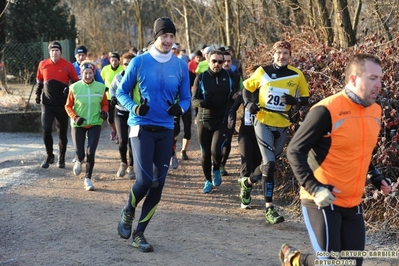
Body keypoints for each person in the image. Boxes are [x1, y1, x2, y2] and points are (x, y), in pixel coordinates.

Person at [279, 54, 392, 266]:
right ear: (353, 79)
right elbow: (294, 150)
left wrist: (375, 176)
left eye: (380, 79)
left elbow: (359, 151)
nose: (379, 85)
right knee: (332, 262)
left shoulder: (375, 111)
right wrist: (314, 188)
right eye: (372, 78)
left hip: (353, 202)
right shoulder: (326, 110)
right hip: (321, 200)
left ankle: (294, 260)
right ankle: (299, 260)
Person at [116, 17, 191, 252]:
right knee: (145, 180)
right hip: (141, 127)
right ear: (155, 37)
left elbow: (186, 97)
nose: (168, 41)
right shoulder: (139, 62)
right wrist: (134, 107)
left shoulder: (179, 65)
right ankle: (128, 209)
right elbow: (121, 92)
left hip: (166, 129)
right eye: (164, 36)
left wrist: (181, 108)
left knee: (158, 185)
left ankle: (140, 234)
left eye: (171, 36)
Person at [242, 41, 309, 224]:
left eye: (285, 53)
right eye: (279, 53)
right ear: (273, 54)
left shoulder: (297, 74)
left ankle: (247, 183)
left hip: (283, 124)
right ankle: (269, 209)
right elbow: (247, 89)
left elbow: (305, 99)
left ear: (290, 55)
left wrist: (293, 101)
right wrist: (248, 104)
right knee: (270, 164)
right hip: (263, 121)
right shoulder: (263, 72)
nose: (282, 56)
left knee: (268, 164)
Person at [192, 49, 241, 193]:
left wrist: (236, 98)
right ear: (208, 61)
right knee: (205, 153)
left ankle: (217, 169)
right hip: (204, 119)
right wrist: (203, 103)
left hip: (222, 120)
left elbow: (238, 95)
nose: (218, 64)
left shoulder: (231, 77)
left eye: (221, 61)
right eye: (214, 61)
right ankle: (208, 180)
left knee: (216, 149)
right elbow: (193, 100)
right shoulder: (201, 77)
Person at [35, 41, 80, 169]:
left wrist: (69, 89)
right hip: (47, 104)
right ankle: (49, 155)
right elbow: (39, 80)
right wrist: (38, 94)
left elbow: (76, 82)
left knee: (62, 133)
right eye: (52, 51)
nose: (54, 53)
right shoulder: (42, 64)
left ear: (61, 51)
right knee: (46, 129)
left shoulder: (68, 65)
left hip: (62, 104)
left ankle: (62, 157)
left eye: (57, 50)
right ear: (49, 52)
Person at [65, 61, 108, 191]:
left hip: (95, 123)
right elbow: (68, 106)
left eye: (90, 73)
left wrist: (104, 113)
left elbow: (105, 104)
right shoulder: (74, 87)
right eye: (85, 73)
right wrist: (75, 117)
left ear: (93, 73)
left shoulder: (101, 87)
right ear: (81, 73)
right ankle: (79, 160)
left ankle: (88, 178)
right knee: (80, 152)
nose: (88, 76)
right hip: (78, 124)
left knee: (91, 151)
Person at [109, 52, 135, 179]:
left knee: (132, 141)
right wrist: (113, 97)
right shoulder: (118, 77)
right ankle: (123, 162)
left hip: (134, 112)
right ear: (122, 64)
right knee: (123, 140)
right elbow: (112, 88)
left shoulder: (138, 78)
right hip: (120, 111)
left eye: (130, 64)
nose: (127, 66)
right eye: (125, 64)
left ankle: (132, 167)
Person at [219, 50, 243, 176]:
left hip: (230, 113)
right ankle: (215, 163)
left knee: (227, 140)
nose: (226, 64)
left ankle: (222, 165)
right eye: (224, 61)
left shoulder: (236, 77)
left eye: (229, 61)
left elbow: (243, 92)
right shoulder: (212, 76)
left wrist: (237, 95)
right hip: (215, 114)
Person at [101, 52, 124, 143]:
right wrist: (103, 88)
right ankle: (114, 129)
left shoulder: (122, 70)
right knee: (110, 118)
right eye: (112, 60)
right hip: (108, 97)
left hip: (120, 97)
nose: (114, 62)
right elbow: (100, 80)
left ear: (119, 61)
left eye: (115, 60)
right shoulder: (105, 69)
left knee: (120, 117)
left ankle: (119, 133)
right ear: (109, 60)